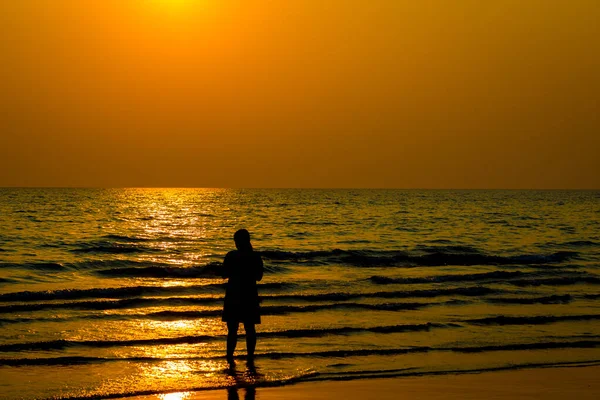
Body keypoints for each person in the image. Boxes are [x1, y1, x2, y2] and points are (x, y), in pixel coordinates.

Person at [222, 229, 264, 366]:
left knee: (232, 329)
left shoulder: (231, 255)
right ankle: (250, 358)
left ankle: (229, 358)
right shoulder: (255, 257)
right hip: (249, 294)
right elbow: (259, 277)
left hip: (233, 294)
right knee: (250, 328)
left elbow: (224, 274)